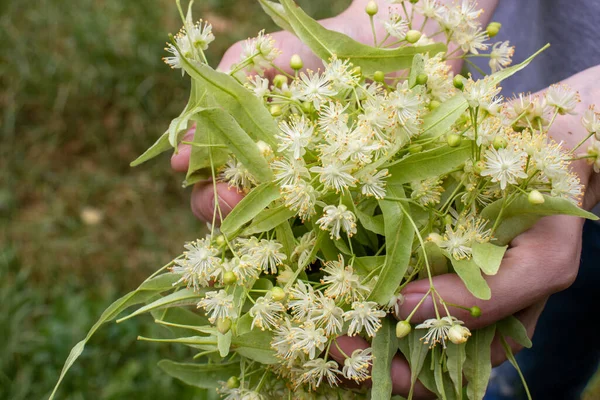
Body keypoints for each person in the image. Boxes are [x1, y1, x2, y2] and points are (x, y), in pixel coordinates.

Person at [169, 1, 600, 398]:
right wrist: (404, 18)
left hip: (550, 151)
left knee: (545, 358)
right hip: (520, 131)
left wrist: (579, 131)